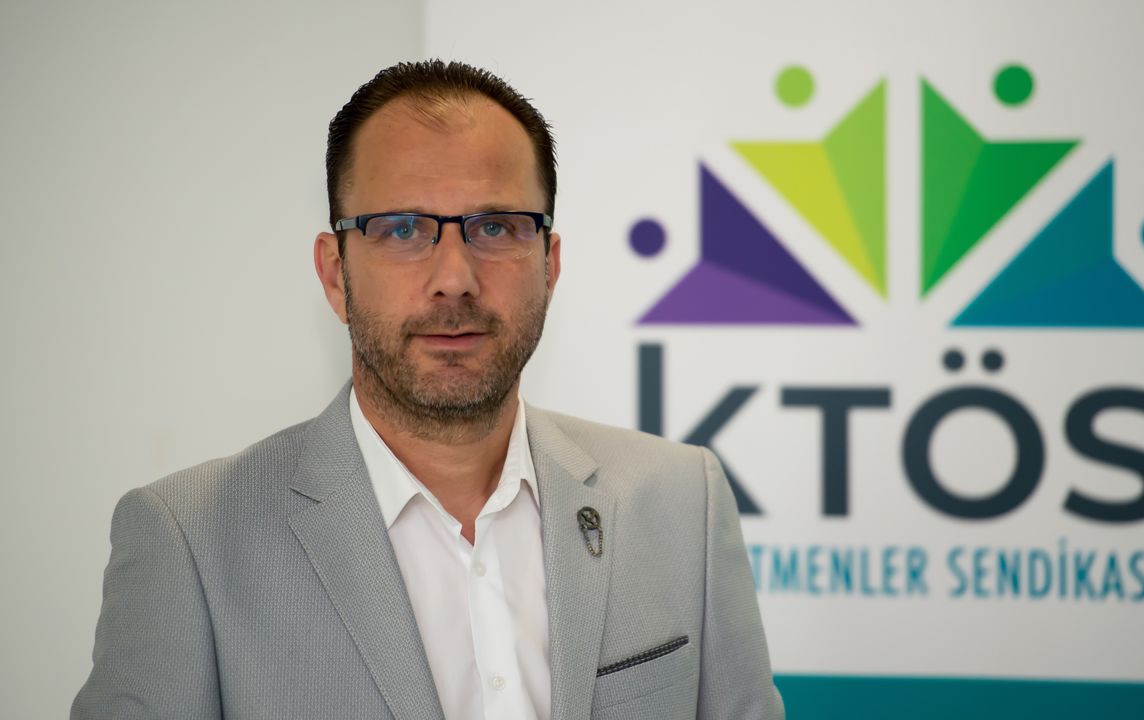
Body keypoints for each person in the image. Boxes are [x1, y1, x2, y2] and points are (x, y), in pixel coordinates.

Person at [72, 60, 784, 720]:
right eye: (403, 229)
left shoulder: (681, 503)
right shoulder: (189, 543)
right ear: (335, 273)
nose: (454, 279)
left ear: (550, 265)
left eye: (495, 227)